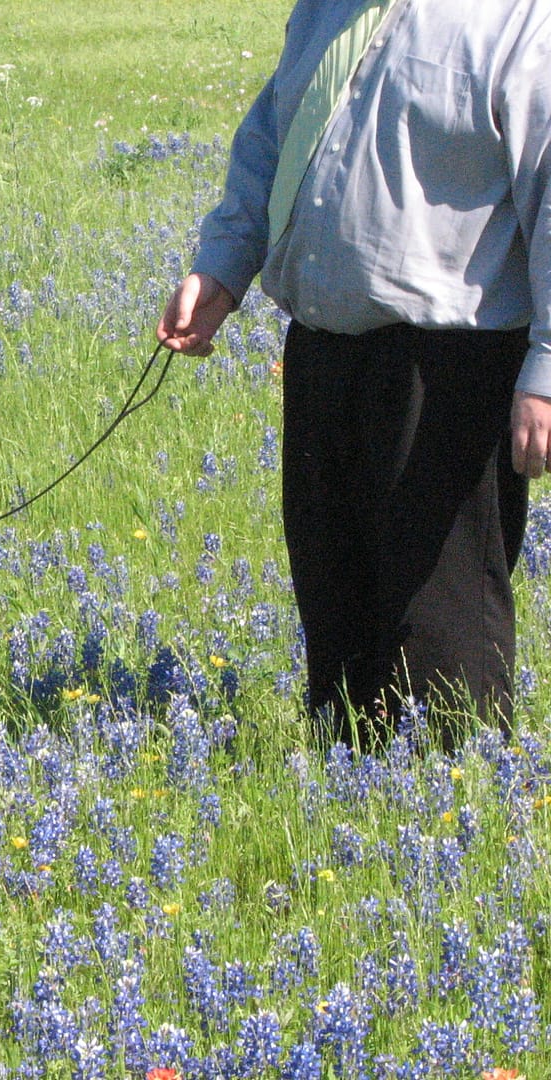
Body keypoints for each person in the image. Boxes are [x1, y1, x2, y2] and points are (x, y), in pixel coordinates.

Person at [158, 0, 551, 750]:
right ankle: (353, 797)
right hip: (323, 348)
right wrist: (222, 268)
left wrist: (549, 363)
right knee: (336, 606)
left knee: (441, 623)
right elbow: (272, 139)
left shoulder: (520, 16)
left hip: (453, 366)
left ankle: (447, 808)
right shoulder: (325, 12)